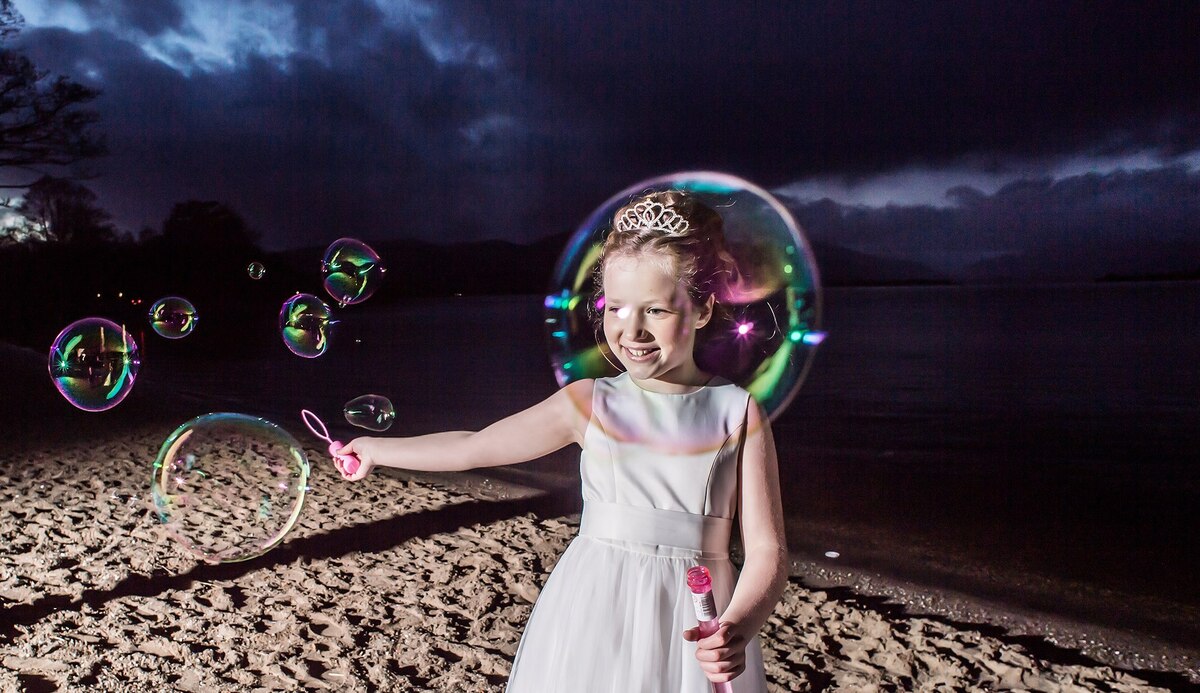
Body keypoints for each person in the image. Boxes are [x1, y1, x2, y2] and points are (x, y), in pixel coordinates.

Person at [337, 190, 788, 692]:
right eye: (616, 308)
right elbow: (474, 446)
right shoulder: (590, 402)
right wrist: (376, 449)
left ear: (702, 309)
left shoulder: (736, 411)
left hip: (698, 617)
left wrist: (738, 627)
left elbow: (767, 550)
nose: (632, 330)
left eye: (657, 310)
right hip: (597, 607)